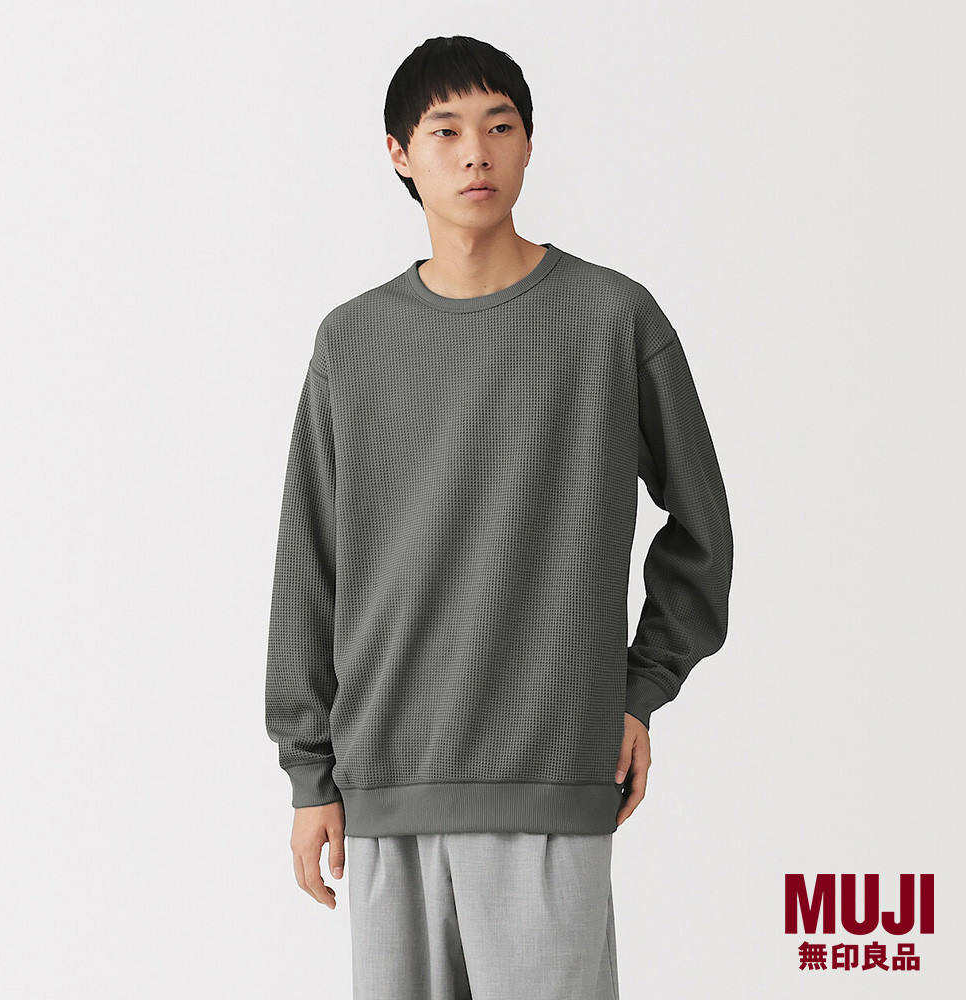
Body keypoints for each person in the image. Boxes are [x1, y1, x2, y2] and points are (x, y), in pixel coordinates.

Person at [265, 34, 733, 1000]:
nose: (475, 152)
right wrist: (310, 775)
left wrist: (640, 689)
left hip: (551, 769)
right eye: (445, 131)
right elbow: (308, 561)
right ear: (400, 153)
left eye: (499, 126)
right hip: (385, 778)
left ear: (528, 144)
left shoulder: (612, 319)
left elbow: (703, 525)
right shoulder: (351, 341)